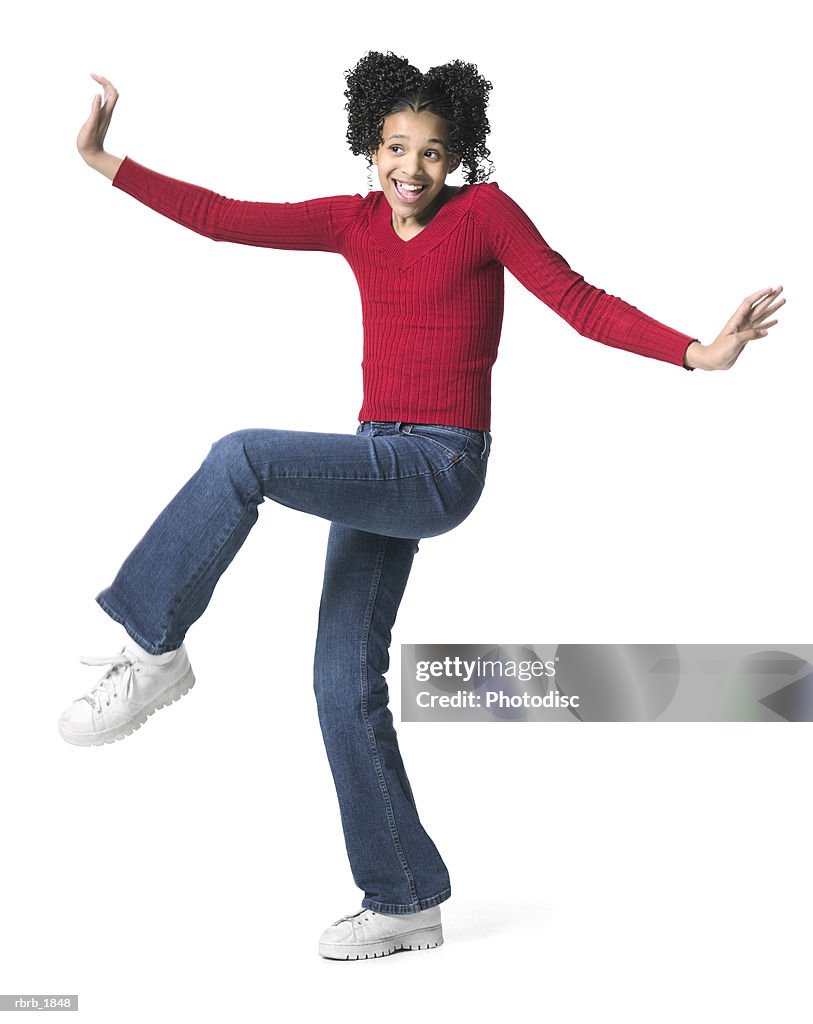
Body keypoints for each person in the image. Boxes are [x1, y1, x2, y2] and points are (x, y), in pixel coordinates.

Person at [61, 50, 785, 960]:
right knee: (339, 683)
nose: (412, 169)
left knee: (240, 456)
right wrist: (105, 161)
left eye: (433, 153)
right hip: (373, 458)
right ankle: (402, 897)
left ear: (458, 158)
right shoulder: (354, 221)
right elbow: (223, 220)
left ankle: (153, 645)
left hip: (438, 465)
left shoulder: (483, 215)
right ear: (370, 150)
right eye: (396, 149)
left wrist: (697, 352)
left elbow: (576, 300)